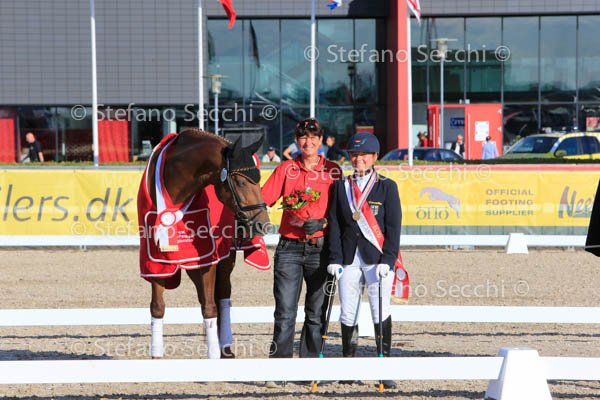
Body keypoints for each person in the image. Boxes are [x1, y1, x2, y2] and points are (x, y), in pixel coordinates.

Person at [261, 118, 342, 388]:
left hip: (321, 249)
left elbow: (342, 212)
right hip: (289, 248)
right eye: (303, 137)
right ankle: (278, 370)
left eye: (313, 137)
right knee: (285, 312)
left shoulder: (333, 171)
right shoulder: (286, 169)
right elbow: (263, 200)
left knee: (316, 314)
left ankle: (309, 369)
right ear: (297, 141)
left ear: (321, 140)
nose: (308, 142)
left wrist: (324, 223)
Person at [326, 131, 401, 389]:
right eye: (354, 155)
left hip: (376, 259)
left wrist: (388, 260)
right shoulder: (340, 187)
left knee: (380, 310)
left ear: (374, 157)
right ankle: (349, 367)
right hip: (348, 258)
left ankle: (384, 368)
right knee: (348, 311)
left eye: (364, 155)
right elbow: (335, 225)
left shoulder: (387, 187)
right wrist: (335, 258)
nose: (359, 160)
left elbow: (394, 227)